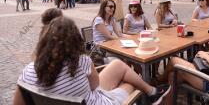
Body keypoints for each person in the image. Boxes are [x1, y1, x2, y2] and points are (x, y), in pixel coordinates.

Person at [13, 16, 171, 105]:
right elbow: (95, 86)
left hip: (83, 98)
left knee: (117, 64)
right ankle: (150, 93)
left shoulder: (27, 72)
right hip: (94, 101)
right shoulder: (81, 62)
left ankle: (151, 91)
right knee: (129, 84)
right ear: (75, 40)